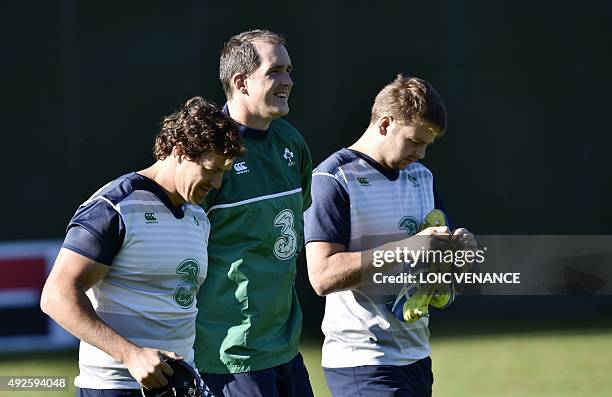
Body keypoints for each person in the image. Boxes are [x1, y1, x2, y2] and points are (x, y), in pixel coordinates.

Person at [40, 97, 245, 397]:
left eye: (224, 173)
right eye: (211, 169)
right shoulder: (114, 206)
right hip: (114, 388)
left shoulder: (198, 216)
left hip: (180, 386)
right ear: (179, 151)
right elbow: (55, 296)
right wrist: (130, 354)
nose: (216, 183)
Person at [304, 75, 476, 396]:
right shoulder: (333, 178)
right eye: (414, 141)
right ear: (385, 124)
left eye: (428, 144)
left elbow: (438, 280)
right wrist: (407, 248)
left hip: (416, 357)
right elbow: (322, 276)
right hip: (362, 362)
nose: (422, 154)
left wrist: (460, 257)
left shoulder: (422, 177)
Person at [193, 29, 314, 396]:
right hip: (228, 355)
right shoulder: (208, 153)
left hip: (286, 348)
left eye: (289, 70)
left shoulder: (291, 141)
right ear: (241, 82)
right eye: (275, 71)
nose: (288, 81)